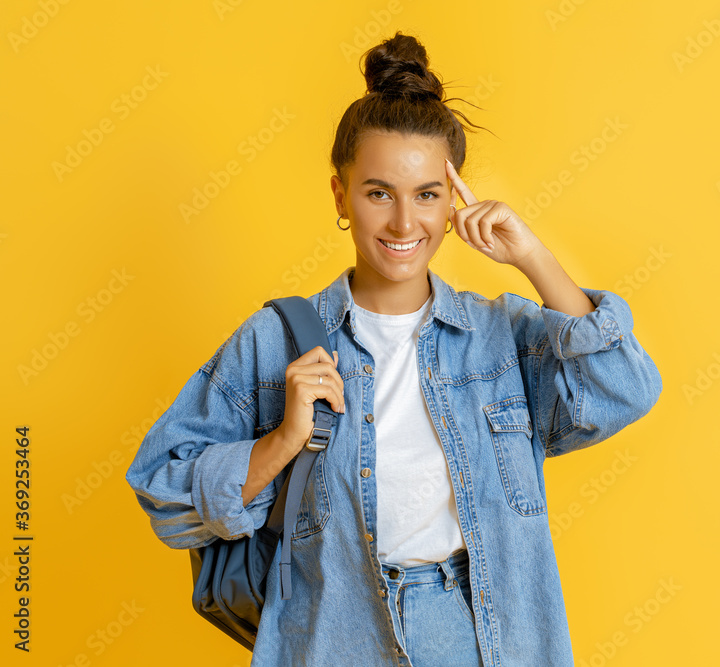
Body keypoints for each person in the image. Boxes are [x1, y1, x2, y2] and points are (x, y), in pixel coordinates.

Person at [125, 31, 662, 666]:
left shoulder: (500, 337)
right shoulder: (277, 343)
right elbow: (164, 495)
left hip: (487, 636)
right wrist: (281, 442)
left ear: (451, 199)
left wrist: (533, 259)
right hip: (338, 636)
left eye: (427, 194)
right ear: (340, 196)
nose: (405, 224)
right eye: (379, 192)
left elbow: (625, 390)